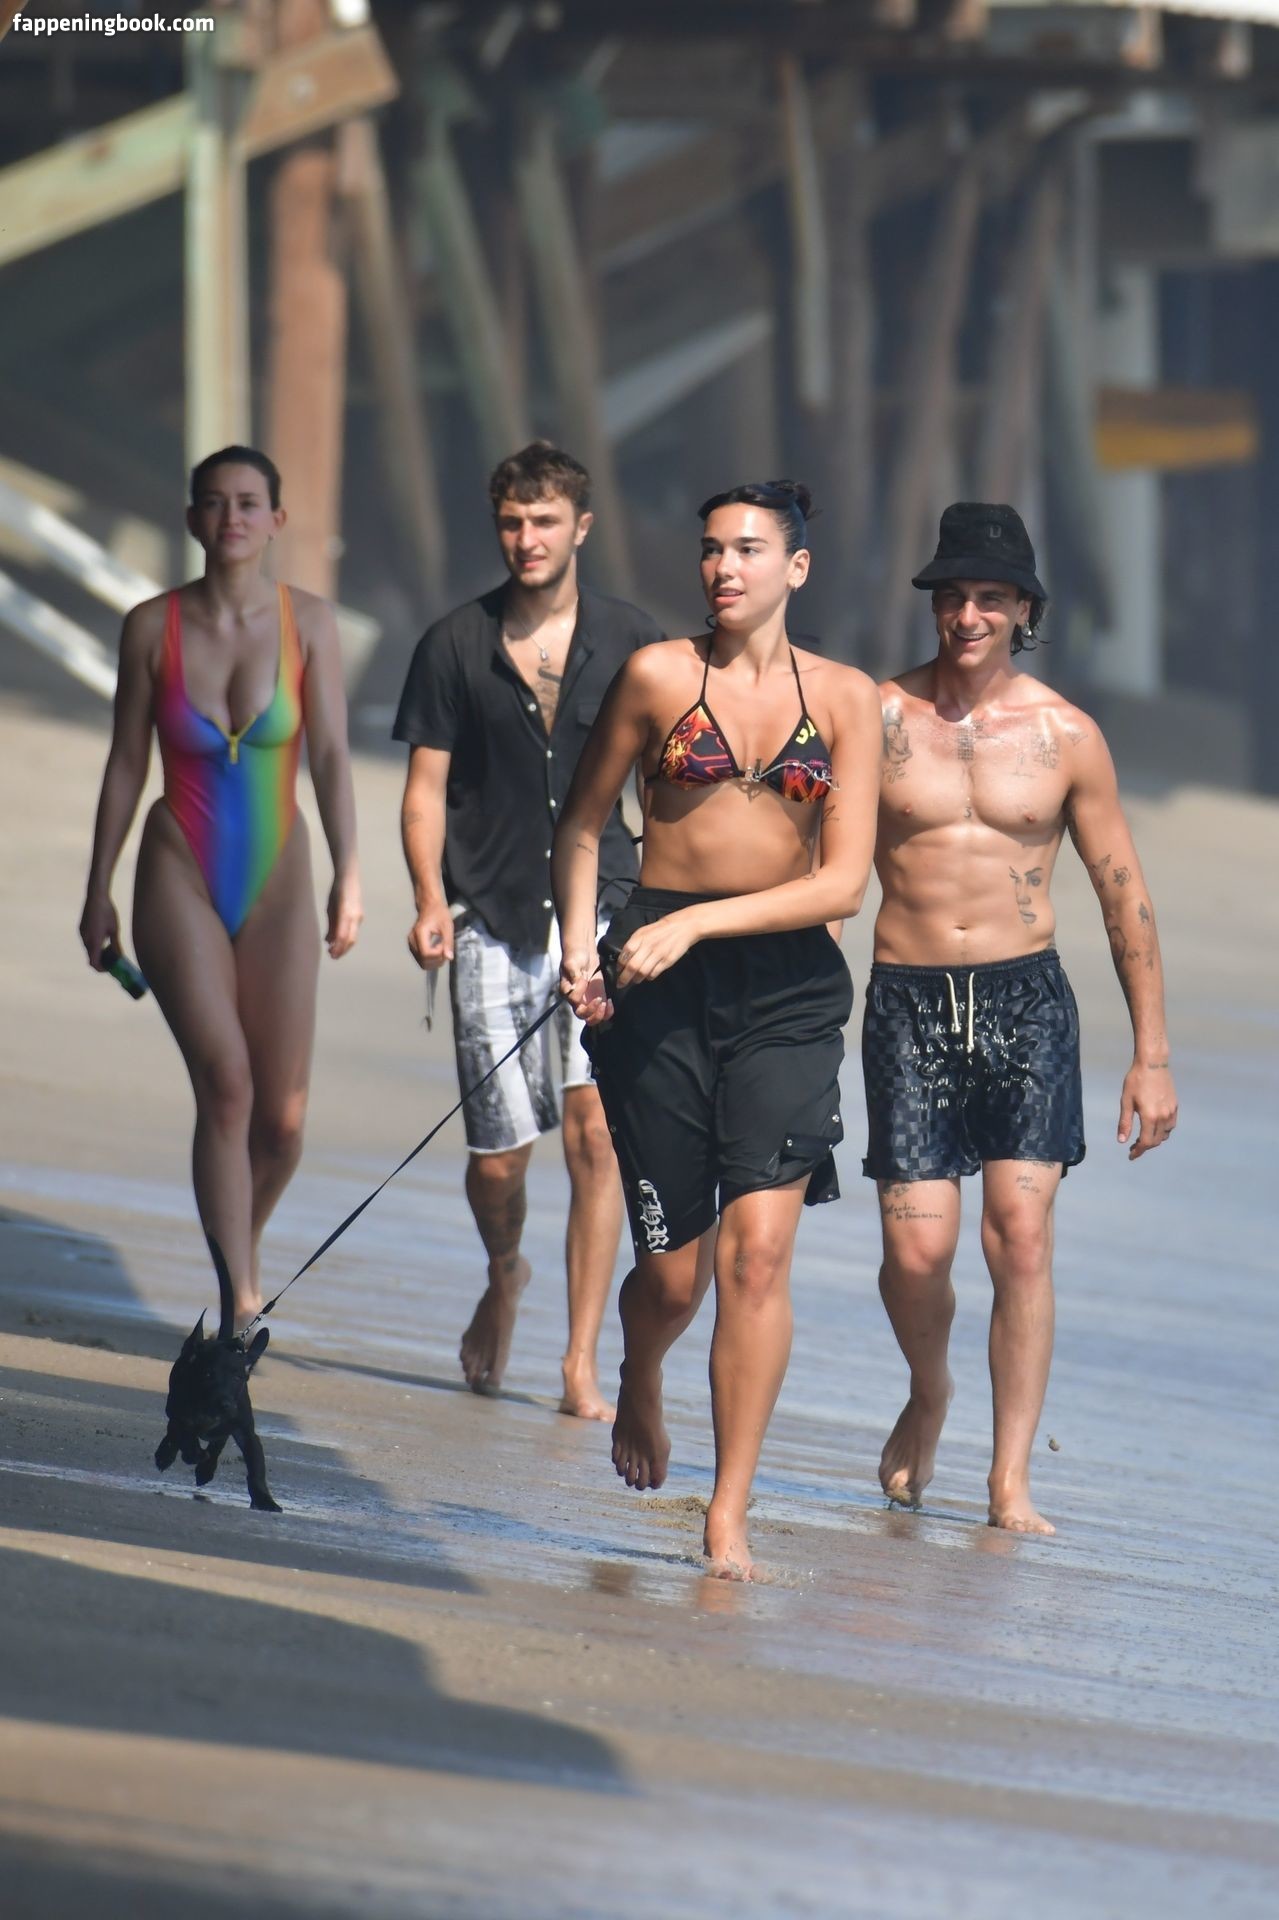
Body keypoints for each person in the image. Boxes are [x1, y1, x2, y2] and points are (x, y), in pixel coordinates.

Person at [554, 480, 882, 1577]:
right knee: (673, 1279)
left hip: (786, 991)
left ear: (797, 567)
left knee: (757, 1258)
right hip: (656, 989)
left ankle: (727, 1508)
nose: (723, 568)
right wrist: (578, 947)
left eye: (747, 550)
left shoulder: (845, 700)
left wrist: (697, 923)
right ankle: (640, 1370)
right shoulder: (657, 675)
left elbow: (841, 885)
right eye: (710, 550)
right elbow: (583, 826)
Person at [866, 501, 1178, 1534]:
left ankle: (1008, 1481)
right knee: (916, 1255)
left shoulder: (1065, 736)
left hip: (1024, 1005)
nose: (967, 615)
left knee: (1022, 1238)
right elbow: (808, 857)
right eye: (952, 596)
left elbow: (1123, 893)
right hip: (908, 1004)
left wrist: (1151, 1054)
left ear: (1023, 610)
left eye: (989, 598)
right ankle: (929, 1390)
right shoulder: (878, 718)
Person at [393, 442, 663, 1419]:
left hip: (605, 910)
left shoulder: (635, 642)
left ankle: (579, 1360)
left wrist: (668, 906)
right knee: (498, 1159)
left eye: (544, 521)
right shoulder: (453, 644)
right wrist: (428, 898)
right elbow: (424, 791)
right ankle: (504, 1270)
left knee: (596, 1138)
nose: (526, 538)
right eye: (512, 521)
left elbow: (663, 787)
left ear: (580, 527)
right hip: (491, 913)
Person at [79, 446, 362, 1327]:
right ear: (193, 519)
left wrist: (350, 874)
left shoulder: (311, 623)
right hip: (178, 867)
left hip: (280, 877)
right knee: (227, 1084)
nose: (231, 517)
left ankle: (236, 1256)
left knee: (282, 1125)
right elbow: (125, 764)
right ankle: (240, 1301)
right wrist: (97, 889)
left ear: (277, 520)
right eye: (213, 502)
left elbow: (330, 757)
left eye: (247, 502)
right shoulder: (149, 626)